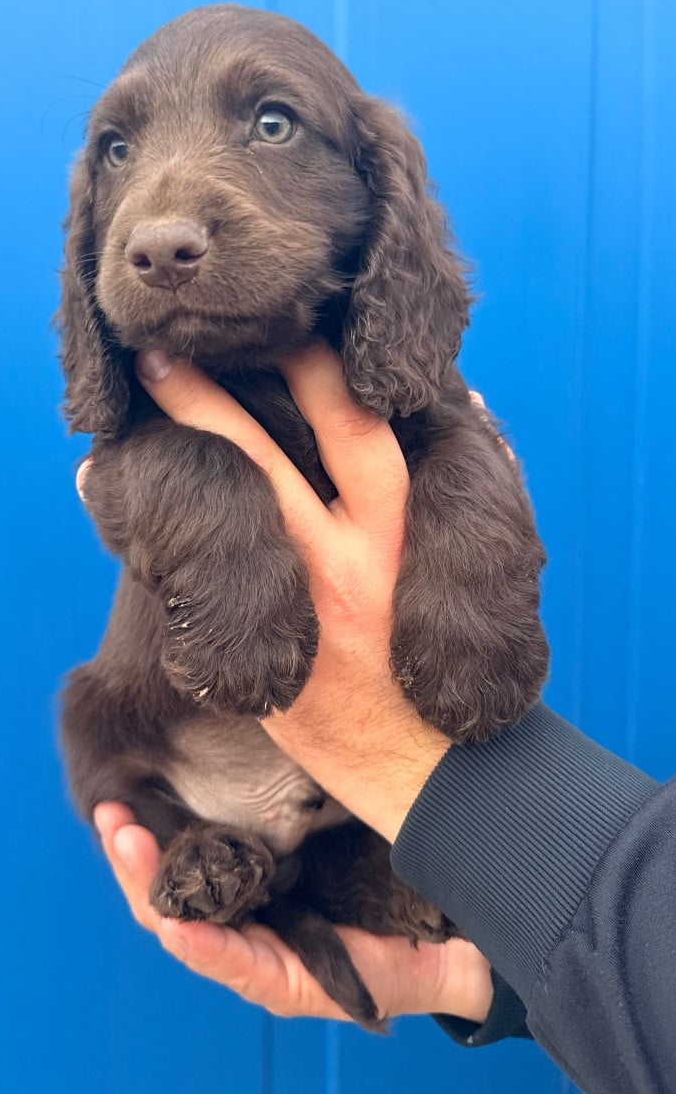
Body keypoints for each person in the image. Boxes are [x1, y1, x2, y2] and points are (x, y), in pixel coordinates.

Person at [86, 345, 676, 1094]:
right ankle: (247, 861)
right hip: (183, 767)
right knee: (99, 738)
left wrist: (418, 752)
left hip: (362, 816)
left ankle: (358, 882)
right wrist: (482, 976)